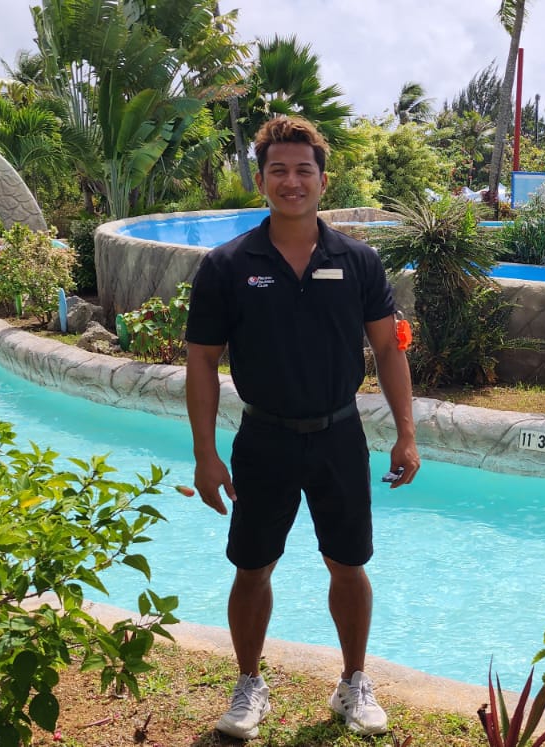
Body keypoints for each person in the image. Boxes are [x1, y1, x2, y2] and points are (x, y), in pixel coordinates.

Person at [182, 115, 420, 740]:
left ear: (322, 180)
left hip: (339, 436)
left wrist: (406, 433)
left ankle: (352, 683)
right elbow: (202, 361)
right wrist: (206, 454)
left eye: (303, 170)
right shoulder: (228, 265)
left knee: (349, 564)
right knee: (252, 566)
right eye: (279, 170)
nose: (292, 182)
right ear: (261, 180)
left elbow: (389, 349)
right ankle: (249, 684)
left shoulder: (358, 261)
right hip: (263, 439)